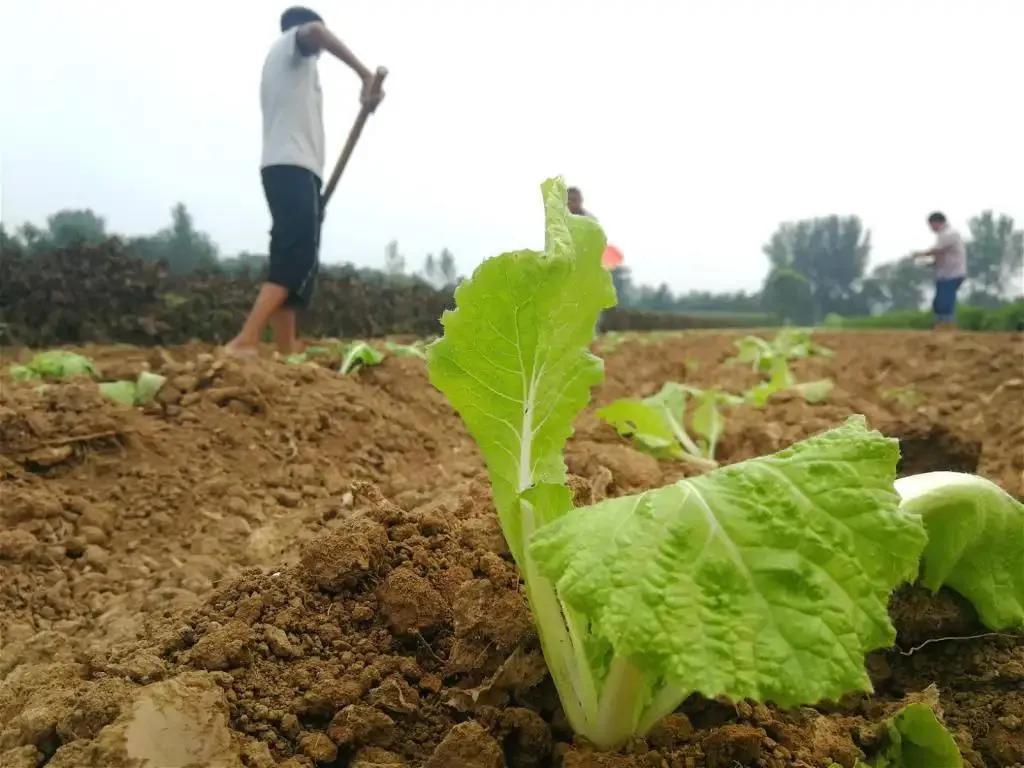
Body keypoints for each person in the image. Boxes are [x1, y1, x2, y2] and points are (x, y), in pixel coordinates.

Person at [226, 6, 384, 356]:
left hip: (298, 169)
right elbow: (315, 32)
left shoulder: (296, 69)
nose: (322, 51)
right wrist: (363, 75)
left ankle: (286, 350)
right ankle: (245, 339)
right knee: (294, 257)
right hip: (291, 166)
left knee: (299, 262)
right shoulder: (290, 45)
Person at [913, 211, 967, 331]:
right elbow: (942, 255)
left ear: (937, 223)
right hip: (944, 273)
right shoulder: (943, 235)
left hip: (952, 273)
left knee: (945, 301)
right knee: (939, 302)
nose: (930, 228)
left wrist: (918, 254)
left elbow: (936, 250)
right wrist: (930, 264)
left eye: (931, 225)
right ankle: (940, 325)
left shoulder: (949, 234)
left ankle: (947, 326)